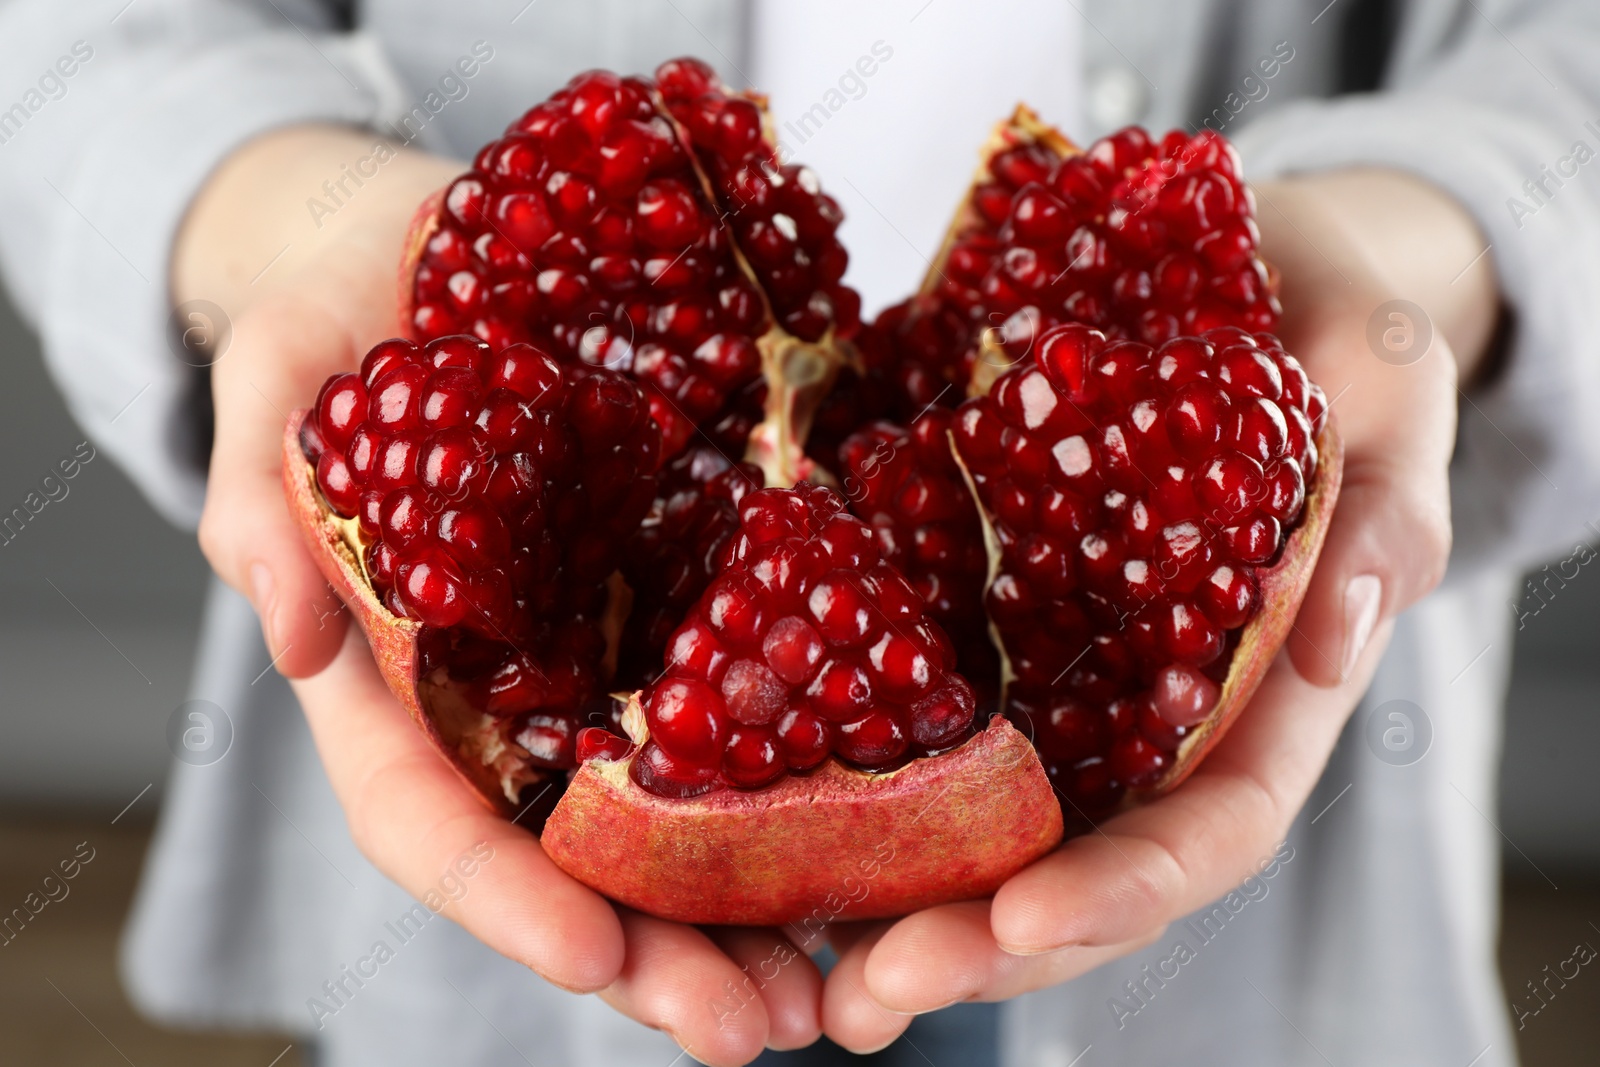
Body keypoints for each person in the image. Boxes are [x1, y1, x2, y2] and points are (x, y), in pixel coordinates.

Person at [1, 1, 1594, 1064]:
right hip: (466, 952)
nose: (793, 500)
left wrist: (1420, 247)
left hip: (1269, 935)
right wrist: (277, 205)